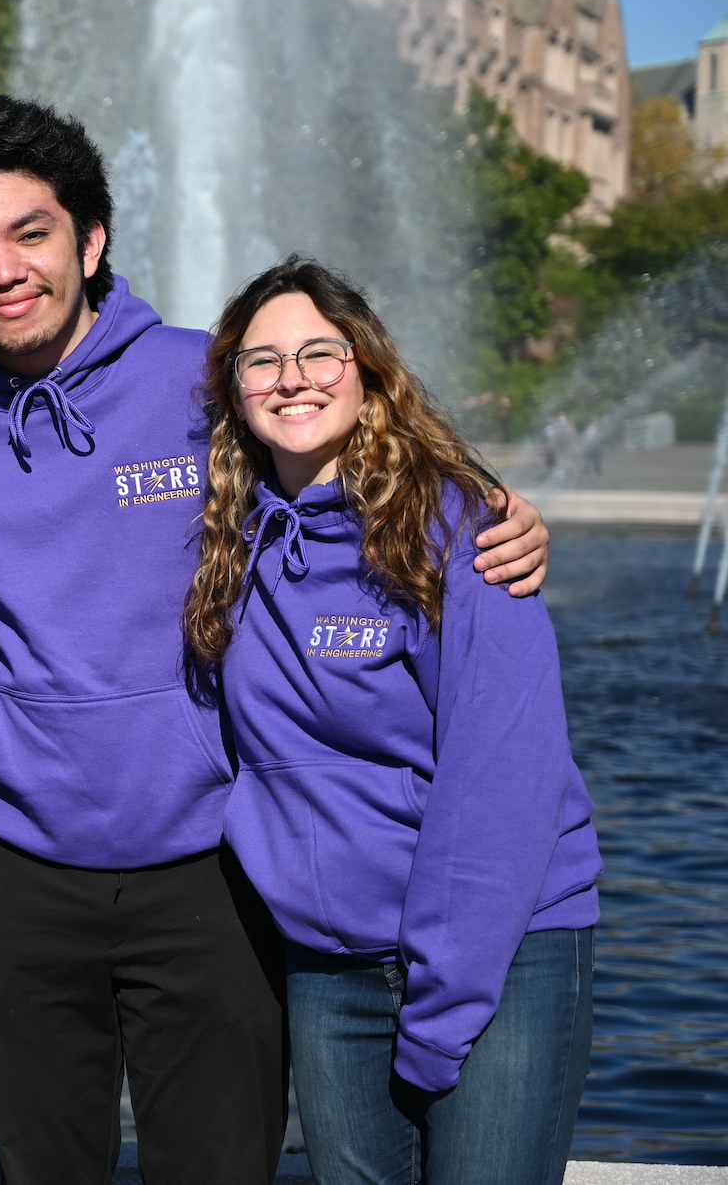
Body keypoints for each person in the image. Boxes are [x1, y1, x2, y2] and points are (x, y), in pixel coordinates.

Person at [0, 96, 555, 1185]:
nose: (4, 269)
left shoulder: (210, 379)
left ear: (90, 239)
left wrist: (494, 510)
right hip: (16, 870)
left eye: (32, 234)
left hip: (215, 865)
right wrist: (20, 711)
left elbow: (363, 443)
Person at [184, 256, 600, 1185]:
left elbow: (504, 778)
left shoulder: (459, 530)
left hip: (499, 954)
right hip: (332, 965)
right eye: (261, 360)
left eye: (319, 352)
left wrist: (446, 1001)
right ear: (233, 389)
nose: (291, 377)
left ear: (368, 367)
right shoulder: (226, 538)